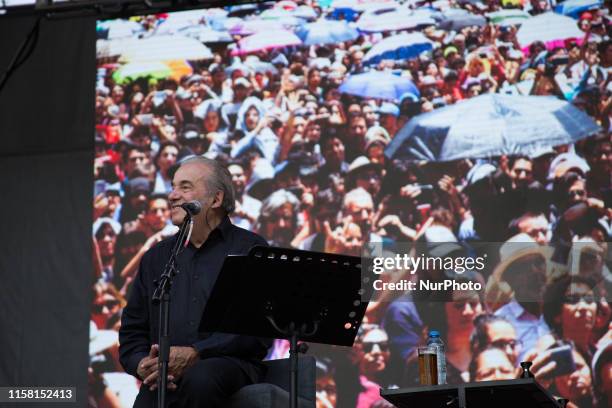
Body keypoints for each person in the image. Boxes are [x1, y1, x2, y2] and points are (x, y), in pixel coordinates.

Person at [119, 156, 272, 407]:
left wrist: (198, 352)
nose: (172, 196)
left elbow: (255, 329)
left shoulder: (250, 248)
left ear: (216, 199)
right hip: (166, 374)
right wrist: (141, 364)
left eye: (185, 187)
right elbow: (132, 330)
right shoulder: (156, 258)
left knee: (200, 378)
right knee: (147, 401)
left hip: (231, 365)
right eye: (173, 187)